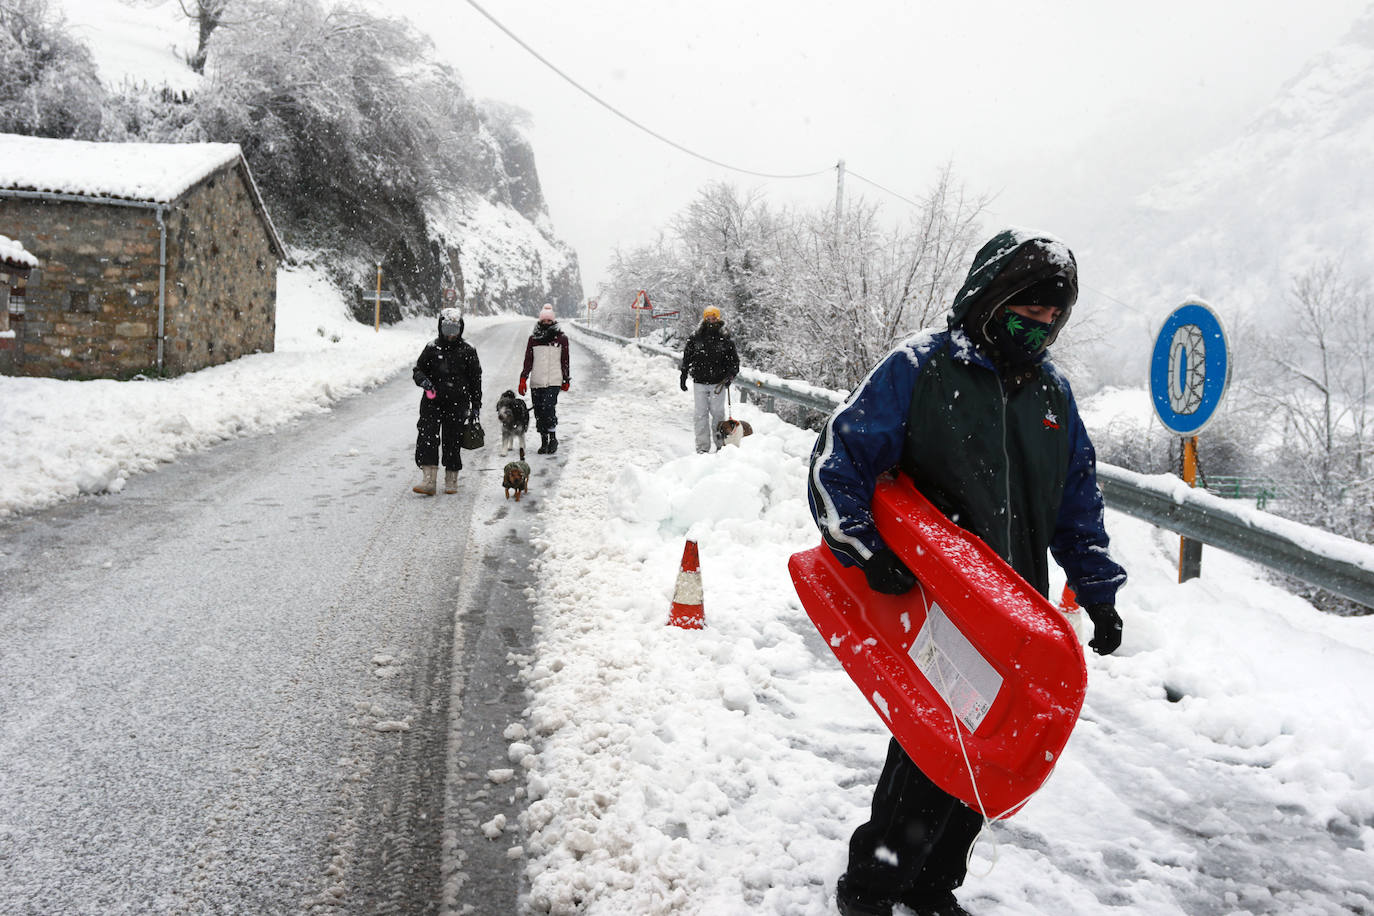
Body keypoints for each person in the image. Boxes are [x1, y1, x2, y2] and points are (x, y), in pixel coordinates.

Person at [807, 229, 1127, 916]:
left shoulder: (1052, 396)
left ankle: (931, 884)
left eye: (1053, 318)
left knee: (990, 750)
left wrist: (1098, 591)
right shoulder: (921, 368)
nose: (1040, 328)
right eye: (1028, 312)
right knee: (934, 749)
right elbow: (840, 459)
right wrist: (866, 550)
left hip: (1016, 613)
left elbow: (1078, 502)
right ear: (991, 300)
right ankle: (872, 885)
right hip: (938, 604)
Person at [411, 307, 482, 495]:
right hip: (432, 402)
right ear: (440, 328)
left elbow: (475, 379)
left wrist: (476, 405)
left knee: (453, 440)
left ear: (461, 329)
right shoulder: (432, 348)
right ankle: (429, 481)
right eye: (447, 329)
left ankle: (451, 479)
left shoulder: (468, 350)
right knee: (427, 438)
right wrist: (423, 381)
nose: (451, 334)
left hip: (458, 403)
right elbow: (418, 370)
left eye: (454, 330)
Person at [679, 305, 740, 453]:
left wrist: (730, 376)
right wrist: (683, 375)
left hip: (718, 383)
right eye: (708, 318)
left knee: (718, 415)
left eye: (713, 318)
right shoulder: (696, 337)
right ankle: (702, 447)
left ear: (718, 319)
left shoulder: (725, 339)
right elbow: (687, 358)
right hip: (699, 382)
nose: (711, 320)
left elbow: (734, 362)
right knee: (700, 415)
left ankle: (720, 445)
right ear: (704, 319)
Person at [519, 303, 570, 454]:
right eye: (544, 320)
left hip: (554, 380)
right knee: (539, 412)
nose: (546, 322)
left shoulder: (561, 339)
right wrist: (523, 378)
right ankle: (544, 441)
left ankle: (553, 438)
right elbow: (528, 360)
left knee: (549, 408)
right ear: (540, 321)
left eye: (549, 320)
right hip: (537, 381)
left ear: (553, 321)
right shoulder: (533, 339)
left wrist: (566, 379)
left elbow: (565, 360)